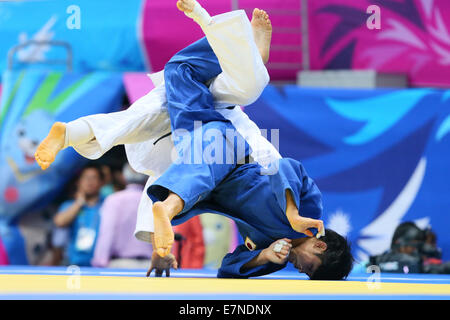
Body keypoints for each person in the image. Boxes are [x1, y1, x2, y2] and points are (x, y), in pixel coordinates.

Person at [144, 0, 353, 280]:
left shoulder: (275, 257)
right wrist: (292, 214)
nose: (300, 269)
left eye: (306, 275)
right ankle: (253, 55)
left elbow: (227, 269)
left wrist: (262, 257)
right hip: (229, 158)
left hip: (204, 189)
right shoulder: (310, 212)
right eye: (311, 267)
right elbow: (287, 167)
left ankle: (253, 56)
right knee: (182, 74)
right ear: (319, 243)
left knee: (181, 82)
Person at [91, 164, 153, 268]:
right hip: (150, 265)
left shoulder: (113, 200)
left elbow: (107, 233)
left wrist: (100, 261)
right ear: (147, 177)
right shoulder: (153, 201)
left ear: (123, 177)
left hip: (120, 265)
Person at [53, 164, 104, 266]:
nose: (90, 181)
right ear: (78, 182)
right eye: (86, 178)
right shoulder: (69, 205)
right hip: (72, 264)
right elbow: (60, 222)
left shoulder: (107, 204)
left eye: (94, 178)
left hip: (99, 266)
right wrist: (79, 203)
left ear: (101, 183)